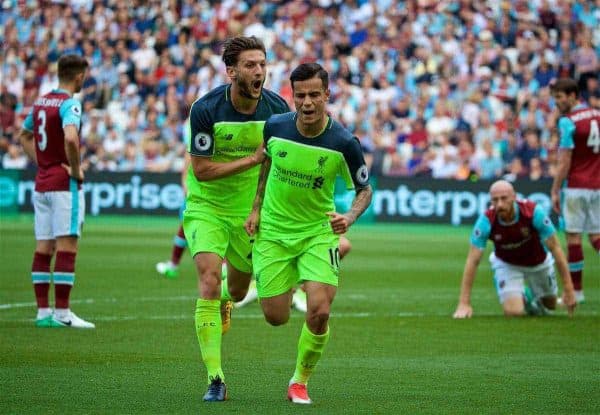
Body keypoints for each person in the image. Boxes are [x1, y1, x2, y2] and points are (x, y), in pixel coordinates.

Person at [245, 63, 373, 405]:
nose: (307, 102)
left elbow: (364, 190)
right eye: (300, 95)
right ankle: (258, 284)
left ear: (327, 95)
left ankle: (299, 381)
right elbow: (266, 163)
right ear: (293, 95)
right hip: (273, 232)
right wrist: (256, 207)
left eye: (315, 94)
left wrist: (349, 216)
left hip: (318, 233)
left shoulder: (344, 142)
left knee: (319, 310)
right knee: (277, 317)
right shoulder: (275, 127)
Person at [183, 36, 290, 402]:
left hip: (248, 212)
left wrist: (260, 206)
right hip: (207, 206)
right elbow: (201, 170)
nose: (258, 70)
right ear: (231, 71)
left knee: (239, 290)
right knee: (209, 280)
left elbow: (274, 162)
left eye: (262, 63)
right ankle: (215, 379)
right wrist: (250, 159)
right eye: (250, 65)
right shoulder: (205, 108)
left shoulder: (277, 109)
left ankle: (229, 300)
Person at [17, 54, 94, 329]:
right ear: (78, 77)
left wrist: (44, 163)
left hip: (42, 182)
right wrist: (74, 169)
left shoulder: (41, 101)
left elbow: (23, 136)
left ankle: (42, 312)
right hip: (63, 186)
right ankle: (62, 313)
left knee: (43, 247)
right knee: (67, 246)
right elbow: (71, 137)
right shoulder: (70, 103)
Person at [453, 180, 576, 319]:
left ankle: (529, 297)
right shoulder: (486, 221)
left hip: (538, 262)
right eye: (495, 200)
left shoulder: (533, 212)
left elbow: (556, 248)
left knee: (550, 305)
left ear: (514, 197)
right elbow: (473, 260)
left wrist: (569, 288)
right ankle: (523, 296)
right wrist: (464, 303)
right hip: (507, 264)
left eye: (504, 198)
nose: (499, 204)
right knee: (513, 313)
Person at [550, 78, 600, 304]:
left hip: (578, 186)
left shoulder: (568, 122)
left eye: (560, 98)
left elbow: (564, 161)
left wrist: (554, 190)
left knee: (573, 238)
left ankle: (576, 292)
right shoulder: (597, 115)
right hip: (598, 185)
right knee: (597, 236)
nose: (557, 103)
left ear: (572, 95)